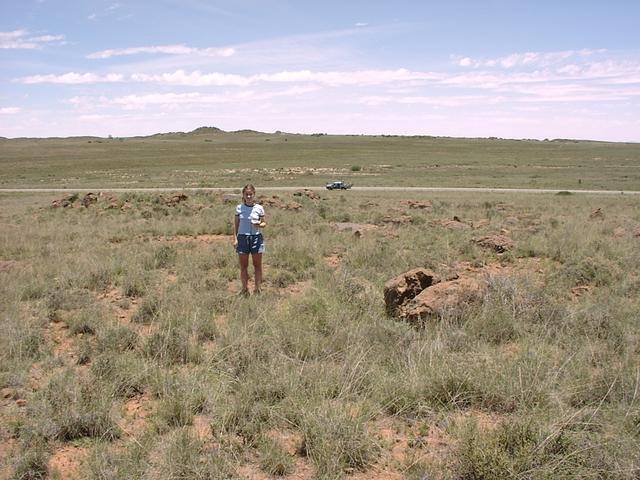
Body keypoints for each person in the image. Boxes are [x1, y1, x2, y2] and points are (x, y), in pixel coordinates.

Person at [233, 184, 266, 295]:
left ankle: (257, 289)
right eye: (246, 194)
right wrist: (235, 239)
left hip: (256, 237)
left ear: (254, 194)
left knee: (257, 265)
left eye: (250, 194)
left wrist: (260, 225)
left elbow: (264, 222)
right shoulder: (239, 208)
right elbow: (236, 225)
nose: (248, 196)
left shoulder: (259, 208)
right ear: (243, 195)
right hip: (242, 237)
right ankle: (244, 289)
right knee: (243, 266)